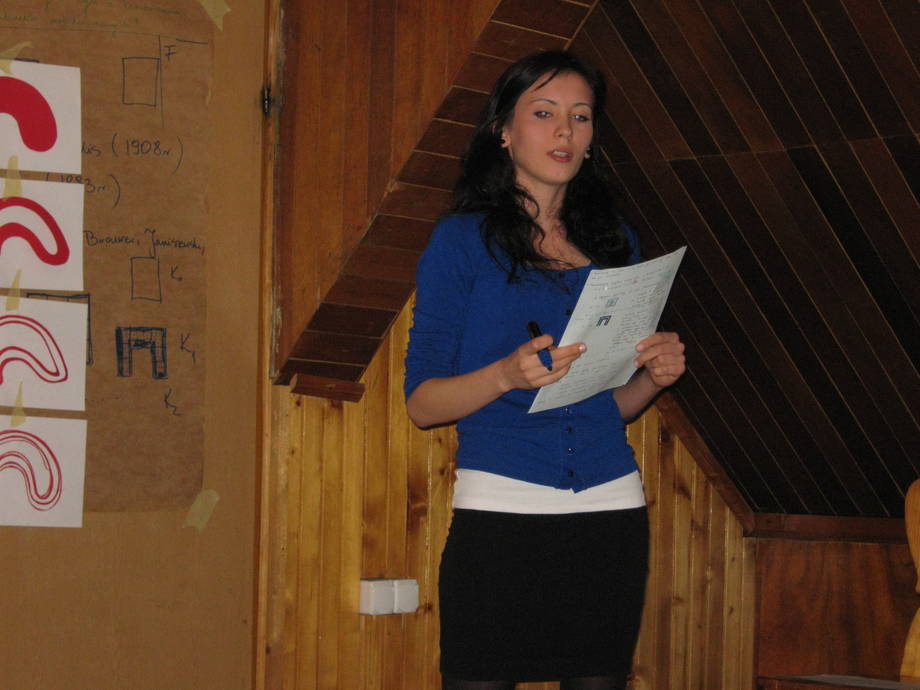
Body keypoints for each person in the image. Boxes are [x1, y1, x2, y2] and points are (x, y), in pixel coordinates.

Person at [404, 50, 686, 690]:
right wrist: (505, 375)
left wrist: (652, 377)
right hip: (500, 510)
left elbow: (604, 403)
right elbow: (421, 404)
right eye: (544, 113)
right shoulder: (461, 241)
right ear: (503, 131)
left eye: (580, 117)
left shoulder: (615, 242)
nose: (565, 130)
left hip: (610, 509)